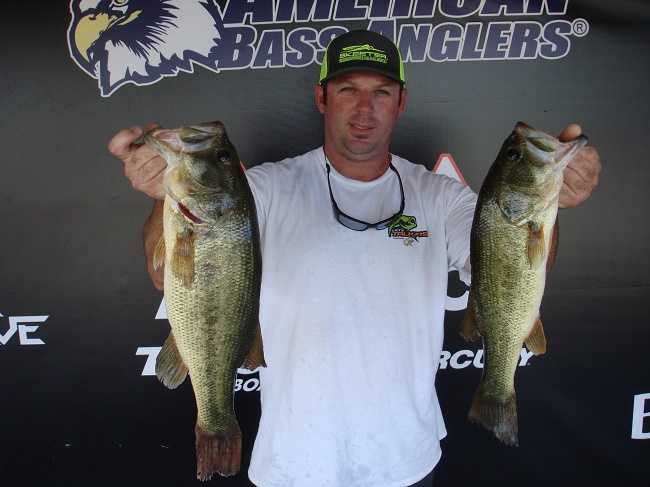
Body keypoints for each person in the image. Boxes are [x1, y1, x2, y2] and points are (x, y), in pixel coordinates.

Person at [108, 30, 601, 487]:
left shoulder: (440, 196)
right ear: (322, 97)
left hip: (405, 459)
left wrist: (553, 207)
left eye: (381, 92)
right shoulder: (262, 189)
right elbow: (165, 273)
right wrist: (161, 196)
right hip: (293, 463)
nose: (365, 108)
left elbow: (516, 268)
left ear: (401, 102)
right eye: (348, 90)